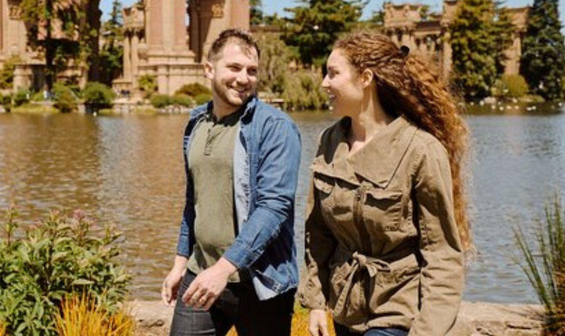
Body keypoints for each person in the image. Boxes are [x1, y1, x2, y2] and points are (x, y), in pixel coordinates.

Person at [301, 31, 470, 336]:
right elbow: (318, 233)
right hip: (346, 310)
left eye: (333, 73)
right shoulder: (329, 142)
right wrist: (315, 302)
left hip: (400, 311)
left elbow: (442, 254)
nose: (324, 83)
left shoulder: (420, 149)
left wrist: (427, 330)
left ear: (365, 78)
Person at [161, 28, 302, 336]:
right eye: (234, 68)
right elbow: (193, 201)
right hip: (201, 274)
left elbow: (274, 208)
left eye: (252, 71)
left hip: (259, 283)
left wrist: (224, 269)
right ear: (209, 69)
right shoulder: (197, 123)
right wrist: (180, 263)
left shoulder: (274, 127)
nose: (244, 78)